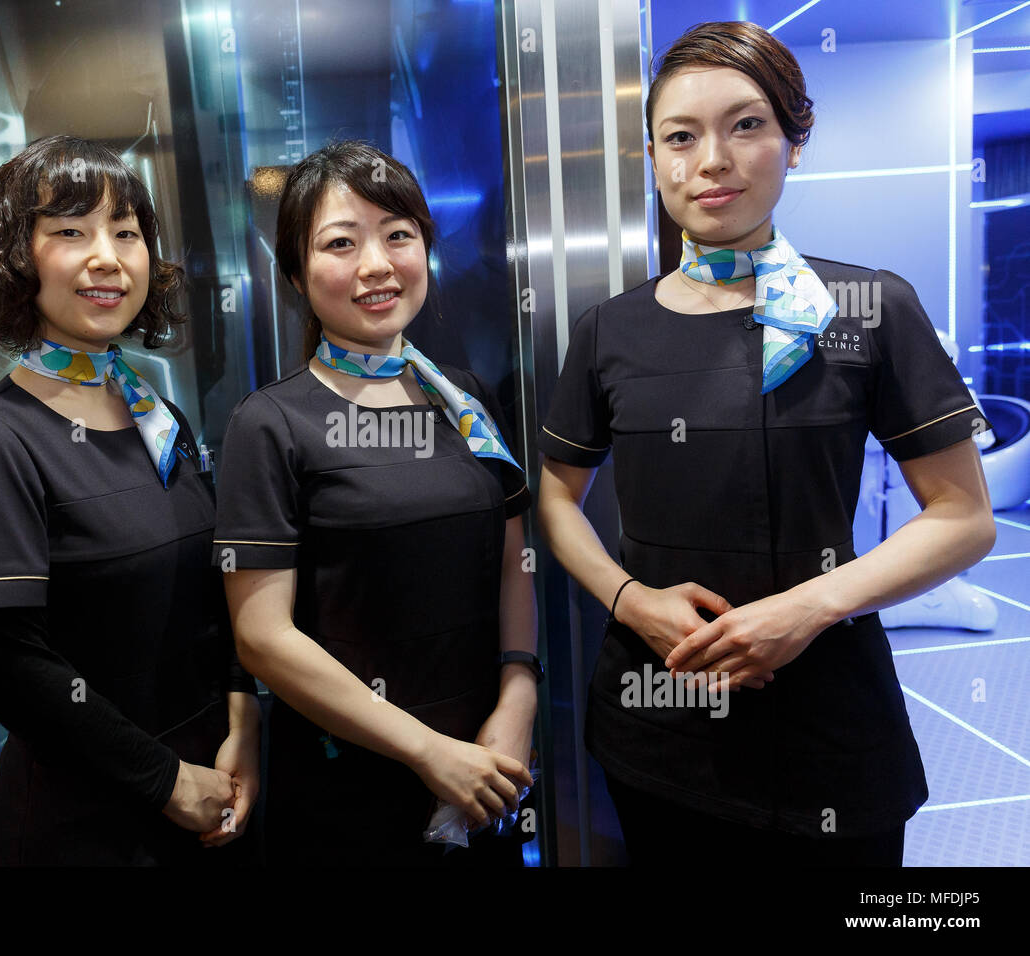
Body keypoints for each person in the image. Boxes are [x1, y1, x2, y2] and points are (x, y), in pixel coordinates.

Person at [536, 22, 996, 866]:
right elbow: (556, 498)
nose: (712, 159)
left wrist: (809, 608)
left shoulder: (868, 307)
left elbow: (964, 518)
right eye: (681, 135)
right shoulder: (609, 331)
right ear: (653, 156)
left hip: (829, 716)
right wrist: (629, 598)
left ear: (794, 141)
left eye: (747, 125)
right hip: (660, 711)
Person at [0, 135, 260, 865]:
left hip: (216, 789)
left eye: (127, 233)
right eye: (70, 231)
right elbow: (13, 669)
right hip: (86, 823)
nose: (106, 256)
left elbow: (214, 594)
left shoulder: (158, 418)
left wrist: (243, 718)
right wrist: (167, 781)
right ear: (19, 258)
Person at [213, 141, 538, 866]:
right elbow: (262, 638)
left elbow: (516, 556)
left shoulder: (465, 398)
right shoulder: (269, 423)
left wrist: (518, 702)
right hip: (346, 787)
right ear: (296, 273)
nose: (377, 265)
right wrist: (428, 752)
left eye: (398, 234)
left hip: (487, 770)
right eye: (340, 242)